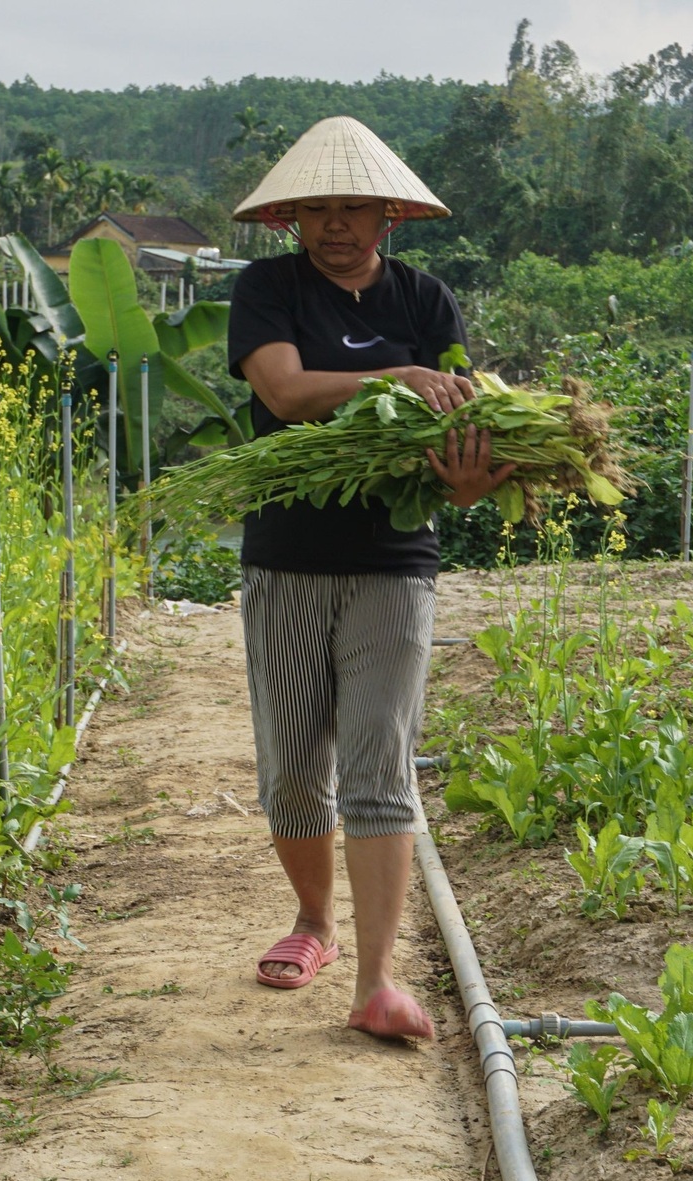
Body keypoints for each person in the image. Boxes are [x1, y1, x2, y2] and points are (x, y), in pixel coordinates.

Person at [225, 117, 515, 1041]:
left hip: (395, 564)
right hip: (287, 558)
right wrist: (398, 378)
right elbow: (284, 393)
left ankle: (377, 983)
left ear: (388, 215)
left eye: (353, 207)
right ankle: (314, 923)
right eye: (317, 209)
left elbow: (456, 465)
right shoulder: (269, 290)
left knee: (380, 768)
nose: (336, 225)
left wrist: (474, 477)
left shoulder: (426, 300)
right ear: (292, 220)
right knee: (293, 769)